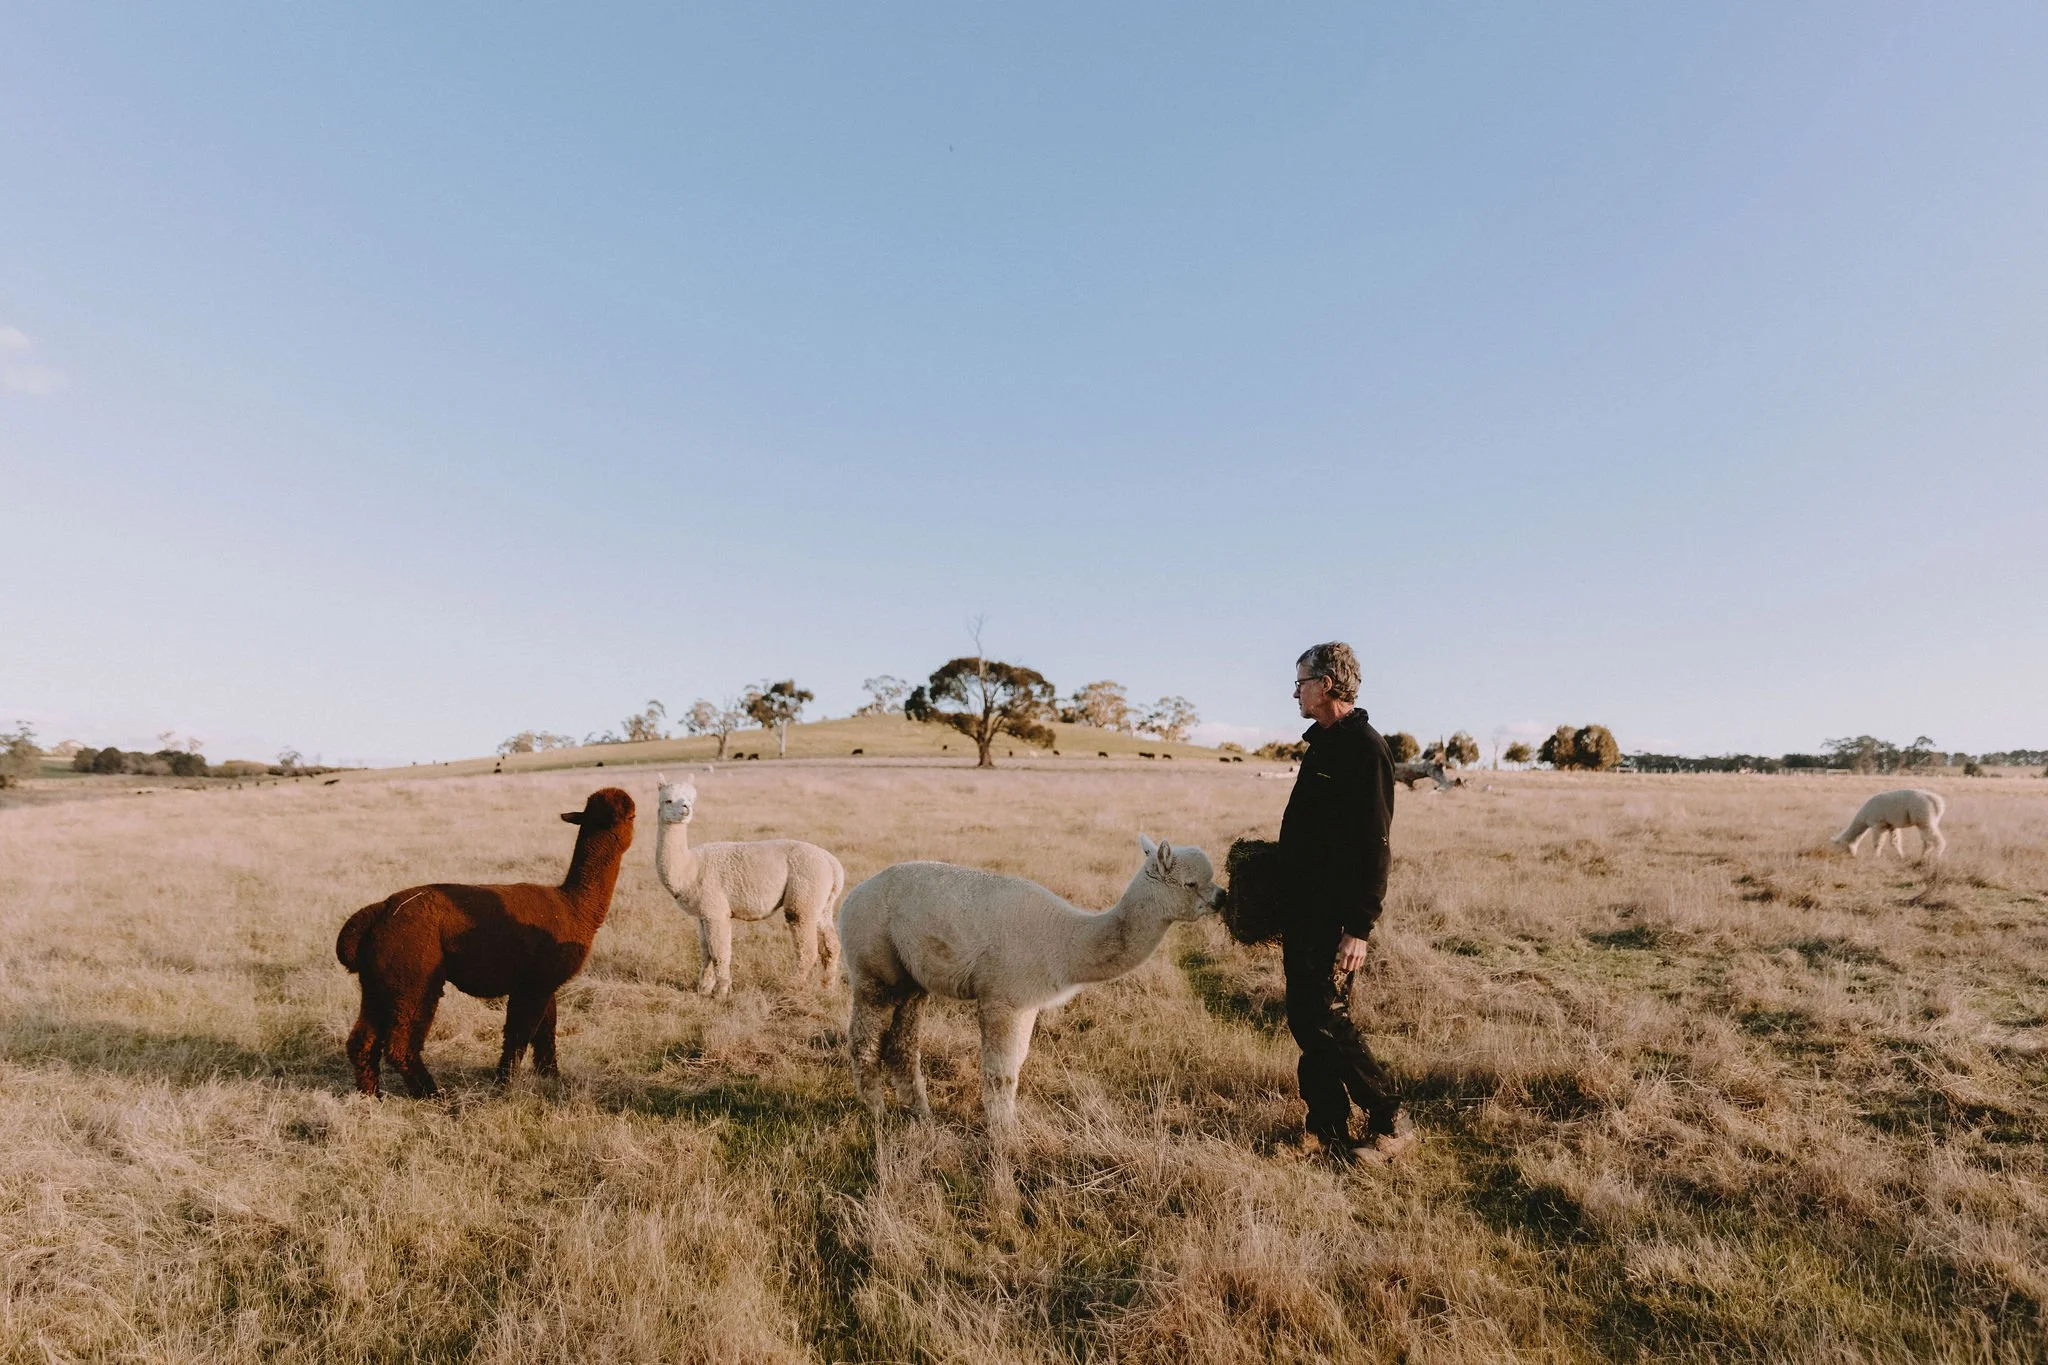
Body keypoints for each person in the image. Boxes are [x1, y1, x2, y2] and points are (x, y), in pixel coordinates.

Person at [1278, 641, 1415, 1164]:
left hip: (1335, 915)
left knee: (1326, 1017)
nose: (1296, 691)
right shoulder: (1323, 745)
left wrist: (1359, 927)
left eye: (1301, 681)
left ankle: (1391, 1118)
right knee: (1304, 1017)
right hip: (1303, 909)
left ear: (1327, 684)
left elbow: (1375, 844)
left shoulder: (1365, 748)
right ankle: (1327, 1127)